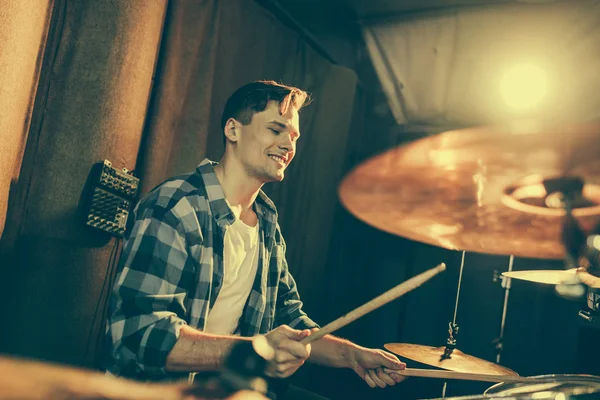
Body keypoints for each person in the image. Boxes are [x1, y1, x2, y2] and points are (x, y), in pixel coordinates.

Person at [105, 80, 406, 399]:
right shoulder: (177, 207)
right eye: (276, 130)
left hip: (227, 389)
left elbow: (288, 319)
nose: (288, 146)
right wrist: (258, 351)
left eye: (293, 137)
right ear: (233, 130)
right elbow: (139, 335)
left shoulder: (265, 223)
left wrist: (352, 357)